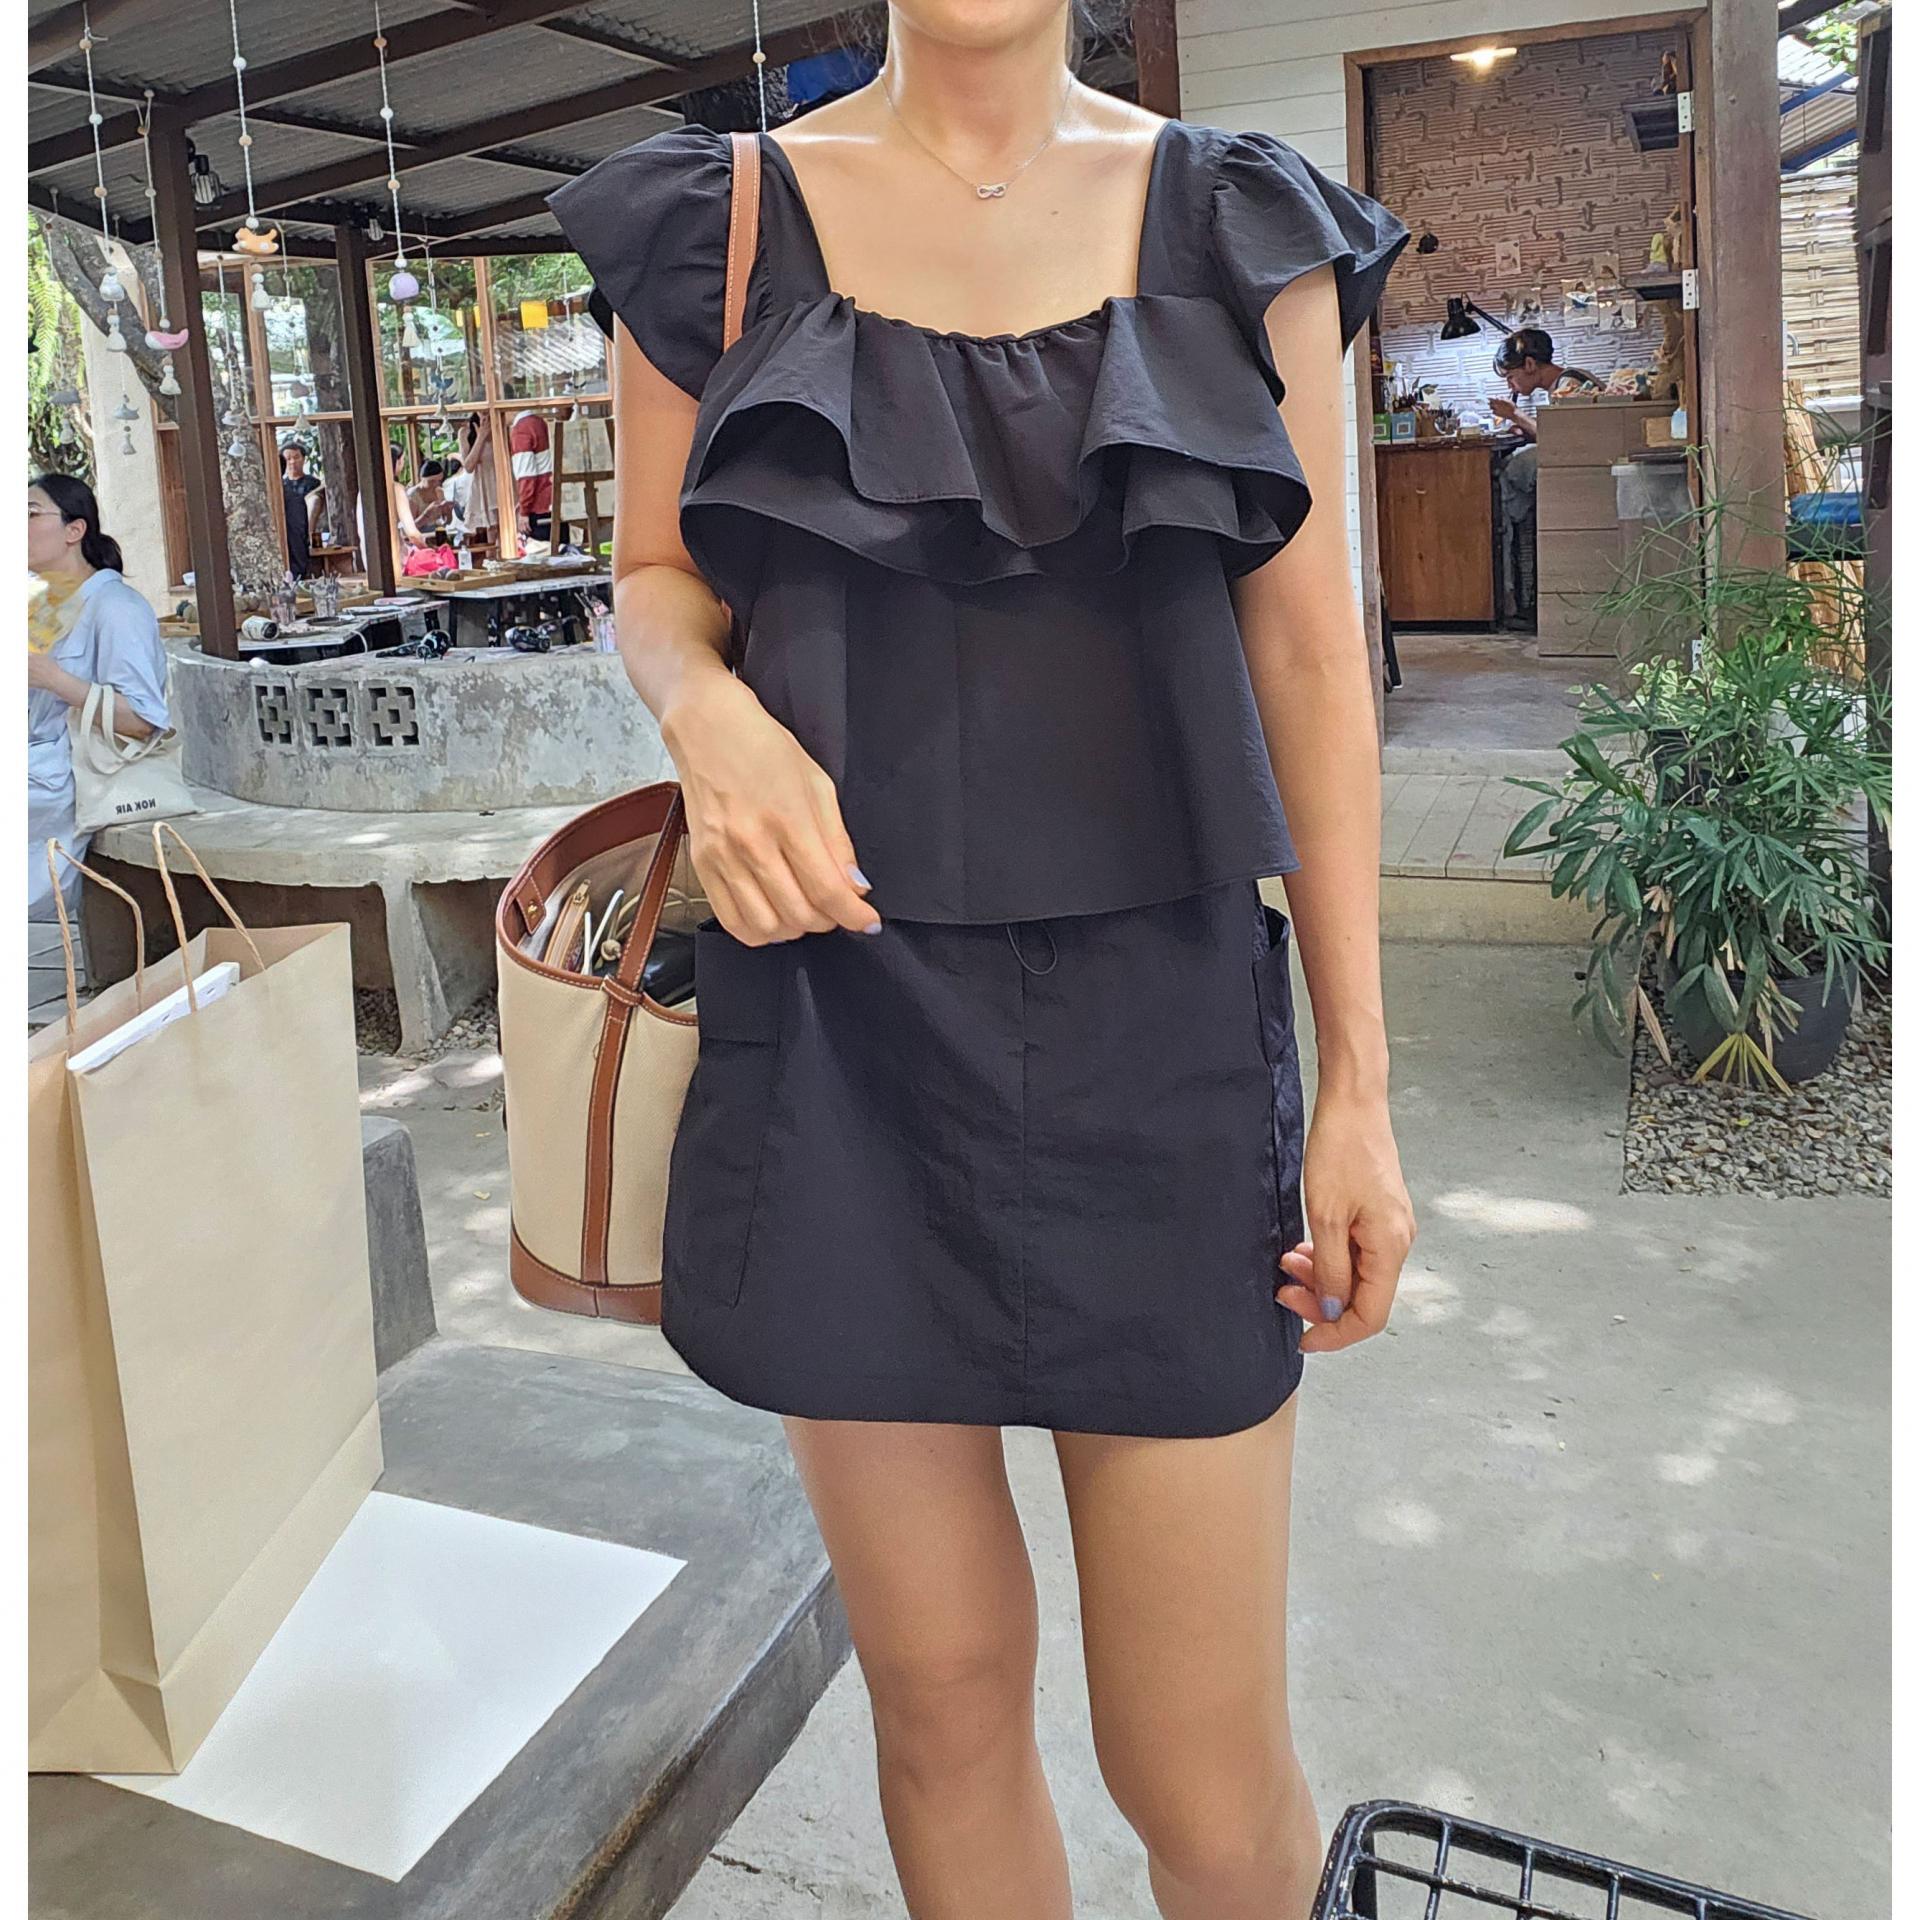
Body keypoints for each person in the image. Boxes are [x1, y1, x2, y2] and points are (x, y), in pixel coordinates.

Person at [551, 7, 1417, 1915]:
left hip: (1167, 1038)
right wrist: (706, 711)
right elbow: (655, 576)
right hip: (838, 1026)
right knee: (939, 1705)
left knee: (1198, 1767)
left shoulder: (1237, 222)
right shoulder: (723, 226)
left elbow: (1306, 657)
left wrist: (1359, 1083)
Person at [28, 474, 170, 919]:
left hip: (69, 778)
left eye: (30, 514)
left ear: (74, 530)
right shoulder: (42, 606)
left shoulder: (117, 608)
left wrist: (54, 678)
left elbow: (144, 720)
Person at [1488, 327, 1604, 620]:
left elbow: (1562, 442)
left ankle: (1509, 590)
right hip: (1586, 469)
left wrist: (1515, 414)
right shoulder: (1567, 381)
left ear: (1529, 364)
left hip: (1589, 475)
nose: (1512, 386)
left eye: (1511, 377)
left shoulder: (1569, 384)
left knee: (1506, 475)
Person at [509, 407, 556, 545]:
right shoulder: (539, 422)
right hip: (553, 500)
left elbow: (527, 476)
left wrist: (524, 511)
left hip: (538, 506)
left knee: (541, 551)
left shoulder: (521, 430)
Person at [280, 443, 324, 576]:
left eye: (296, 457)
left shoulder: (313, 483)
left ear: (304, 459)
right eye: (288, 458)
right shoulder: (281, 487)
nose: (292, 462)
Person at [407, 460, 457, 537]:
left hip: (438, 534)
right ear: (422, 478)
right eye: (432, 481)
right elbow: (409, 528)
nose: (436, 484)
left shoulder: (439, 491)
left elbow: (447, 522)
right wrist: (427, 513)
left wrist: (448, 511)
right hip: (421, 536)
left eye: (439, 481)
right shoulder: (413, 495)